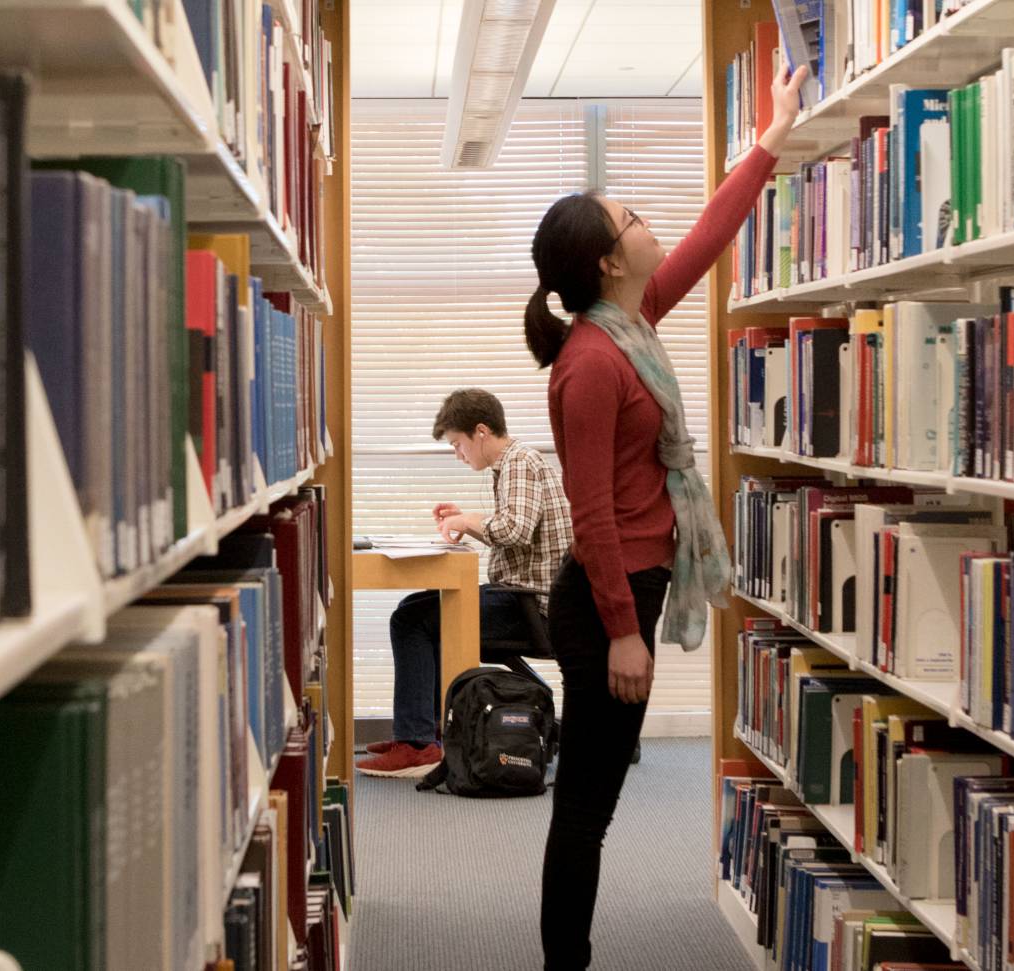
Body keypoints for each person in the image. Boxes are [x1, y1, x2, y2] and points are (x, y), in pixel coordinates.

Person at [524, 64, 809, 970]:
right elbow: (592, 513)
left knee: (597, 796)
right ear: (607, 259)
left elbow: (709, 237)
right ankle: (564, 958)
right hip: (605, 597)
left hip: (634, 587)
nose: (648, 225)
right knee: (589, 804)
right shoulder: (592, 363)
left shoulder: (634, 318)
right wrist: (621, 631)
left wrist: (770, 137)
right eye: (630, 218)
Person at [356, 388, 572, 778]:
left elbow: (516, 529)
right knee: (415, 609)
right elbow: (517, 530)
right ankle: (429, 733)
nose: (458, 454)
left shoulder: (520, 462)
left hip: (530, 606)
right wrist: (466, 518)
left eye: (458, 444)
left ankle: (419, 743)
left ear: (481, 432)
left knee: (413, 621)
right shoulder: (514, 464)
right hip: (521, 595)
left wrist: (466, 522)